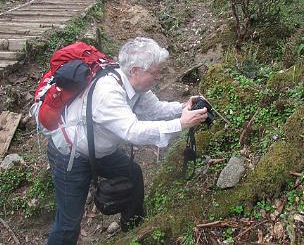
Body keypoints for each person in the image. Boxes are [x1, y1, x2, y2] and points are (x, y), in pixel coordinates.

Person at [46, 37, 208, 245]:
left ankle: (133, 229)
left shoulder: (135, 86)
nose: (158, 77)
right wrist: (181, 124)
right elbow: (132, 131)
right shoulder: (108, 92)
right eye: (154, 72)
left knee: (132, 173)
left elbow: (154, 109)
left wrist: (182, 108)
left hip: (99, 150)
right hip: (70, 155)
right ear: (135, 70)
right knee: (69, 223)